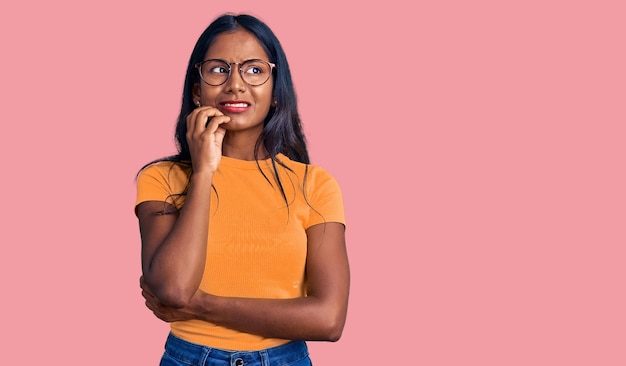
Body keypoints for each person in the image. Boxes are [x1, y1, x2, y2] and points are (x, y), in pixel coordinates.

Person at [134, 13, 350, 366]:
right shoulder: (162, 178)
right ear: (196, 89)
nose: (235, 84)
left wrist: (201, 304)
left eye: (253, 70)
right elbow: (172, 289)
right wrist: (204, 170)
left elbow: (328, 319)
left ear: (275, 91)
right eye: (219, 69)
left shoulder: (315, 185)